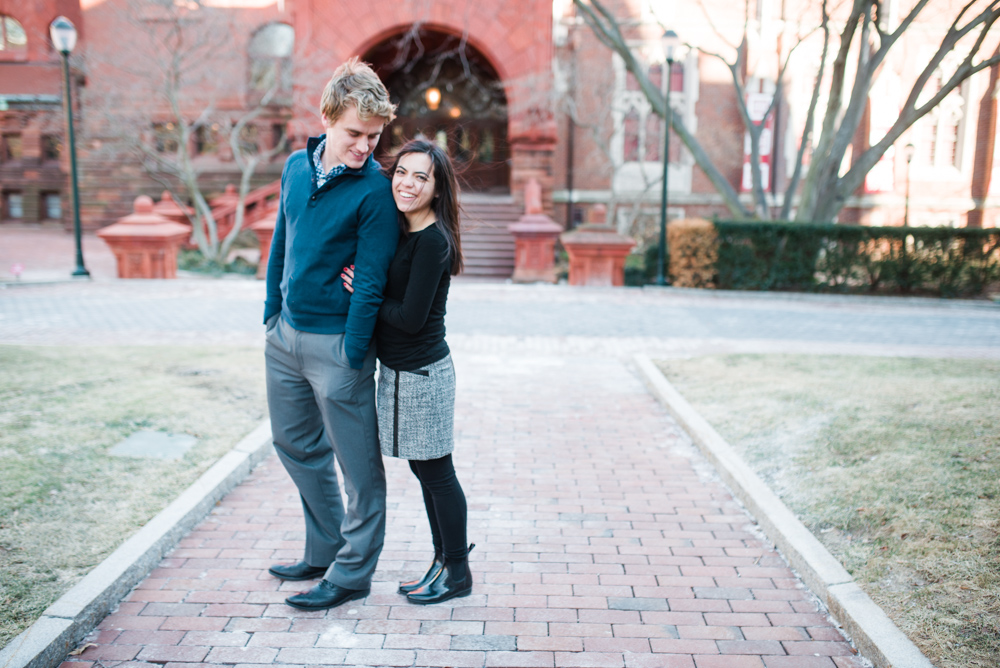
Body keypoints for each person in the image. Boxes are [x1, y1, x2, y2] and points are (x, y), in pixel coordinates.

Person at [262, 58, 400, 611]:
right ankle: (322, 548)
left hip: (337, 347)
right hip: (284, 337)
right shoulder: (296, 167)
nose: (365, 146)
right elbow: (281, 241)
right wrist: (271, 311)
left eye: (373, 136)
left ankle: (351, 574)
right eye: (354, 134)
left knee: (359, 468)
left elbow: (368, 283)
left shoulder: (374, 192)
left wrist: (352, 349)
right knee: (295, 445)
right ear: (327, 118)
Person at [342, 138, 472, 604]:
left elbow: (410, 318)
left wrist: (367, 296)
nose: (408, 183)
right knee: (424, 471)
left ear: (437, 189)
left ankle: (457, 572)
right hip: (401, 374)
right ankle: (441, 562)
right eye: (402, 172)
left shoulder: (432, 241)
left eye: (421, 176)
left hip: (424, 376)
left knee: (437, 473)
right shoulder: (402, 229)